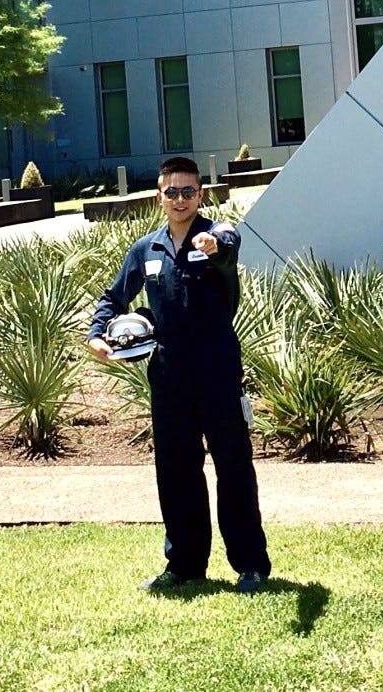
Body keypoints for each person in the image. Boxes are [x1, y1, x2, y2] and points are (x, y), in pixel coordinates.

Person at [88, 155, 270, 593]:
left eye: (189, 191)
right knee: (176, 470)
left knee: (233, 467)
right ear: (159, 197)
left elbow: (229, 239)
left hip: (217, 371)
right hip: (169, 375)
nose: (180, 199)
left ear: (200, 195)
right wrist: (97, 334)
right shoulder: (145, 249)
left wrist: (214, 244)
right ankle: (185, 564)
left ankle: (250, 565)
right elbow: (113, 298)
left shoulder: (215, 236)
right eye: (172, 191)